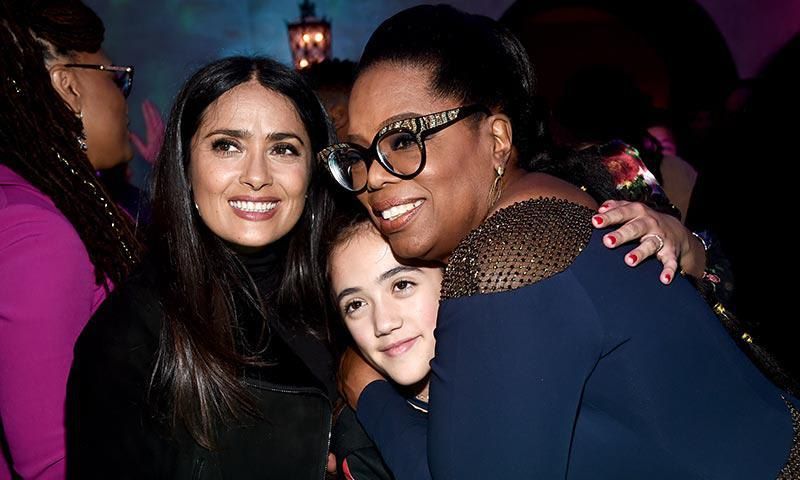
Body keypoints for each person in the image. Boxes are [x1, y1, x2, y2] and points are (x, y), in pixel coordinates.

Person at [325, 5, 798, 479]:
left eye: (403, 140)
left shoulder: (509, 251)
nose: (372, 179)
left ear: (496, 138)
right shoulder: (557, 202)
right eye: (360, 155)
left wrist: (367, 391)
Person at [66, 56, 390, 479]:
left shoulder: (353, 299)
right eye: (227, 145)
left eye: (283, 149)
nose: (257, 175)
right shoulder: (130, 338)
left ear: (312, 171)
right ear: (186, 163)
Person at [0, 2, 141, 478]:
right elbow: (56, 464)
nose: (123, 99)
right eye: (114, 77)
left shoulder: (33, 203)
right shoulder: (37, 233)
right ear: (68, 85)